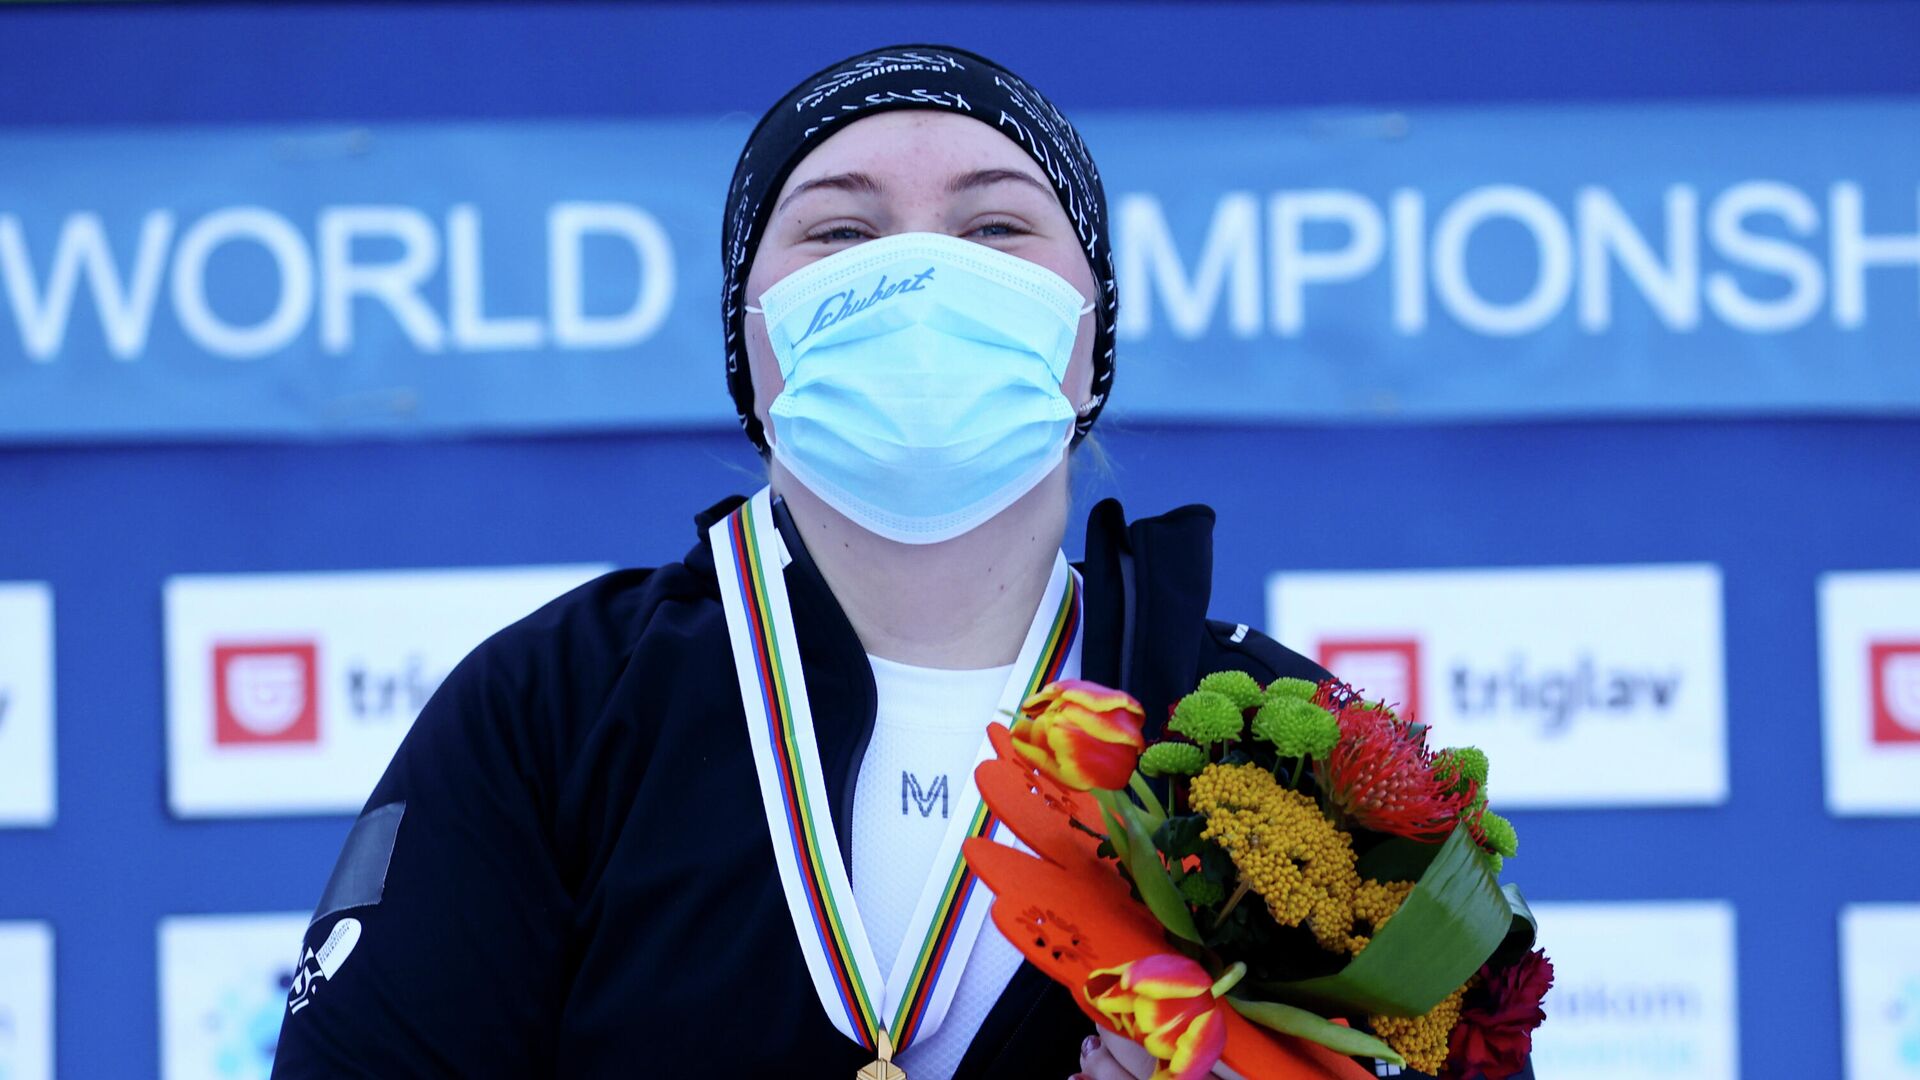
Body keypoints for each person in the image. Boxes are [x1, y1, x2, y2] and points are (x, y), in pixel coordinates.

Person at [271, 45, 1525, 1080]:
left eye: (994, 225)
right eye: (838, 234)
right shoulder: (555, 710)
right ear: (745, 339)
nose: (921, 275)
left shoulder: (1280, 753)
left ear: (1093, 341)